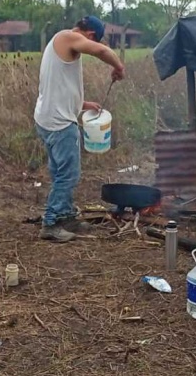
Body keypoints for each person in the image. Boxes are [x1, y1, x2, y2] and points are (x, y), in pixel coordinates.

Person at [33, 16, 126, 242]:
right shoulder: (68, 37)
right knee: (68, 175)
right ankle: (52, 223)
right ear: (91, 35)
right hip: (60, 123)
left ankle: (66, 217)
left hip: (47, 118)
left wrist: (82, 104)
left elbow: (57, 85)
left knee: (59, 172)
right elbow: (102, 52)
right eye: (93, 40)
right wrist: (119, 66)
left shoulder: (59, 44)